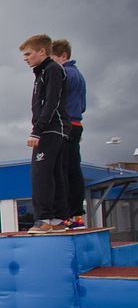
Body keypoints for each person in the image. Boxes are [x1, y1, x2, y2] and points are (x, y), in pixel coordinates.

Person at [19, 34, 70, 234]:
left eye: (28, 54)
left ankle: (43, 219)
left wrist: (37, 131)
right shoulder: (42, 73)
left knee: (40, 175)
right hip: (55, 129)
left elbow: (51, 102)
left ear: (42, 51)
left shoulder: (52, 70)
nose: (26, 58)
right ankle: (57, 220)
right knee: (55, 174)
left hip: (50, 129)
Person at [52, 39, 87, 230]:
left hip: (65, 124)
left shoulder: (64, 73)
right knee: (74, 168)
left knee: (63, 169)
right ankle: (76, 215)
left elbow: (54, 101)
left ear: (63, 56)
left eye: (52, 59)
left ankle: (66, 215)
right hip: (76, 123)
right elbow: (82, 105)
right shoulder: (79, 75)